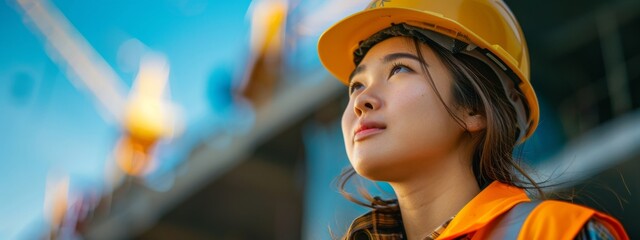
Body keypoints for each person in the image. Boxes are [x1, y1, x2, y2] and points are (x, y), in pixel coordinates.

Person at [317, 0, 629, 239]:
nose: (360, 101)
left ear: (474, 110)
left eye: (399, 69)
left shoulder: (555, 232)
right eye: (356, 85)